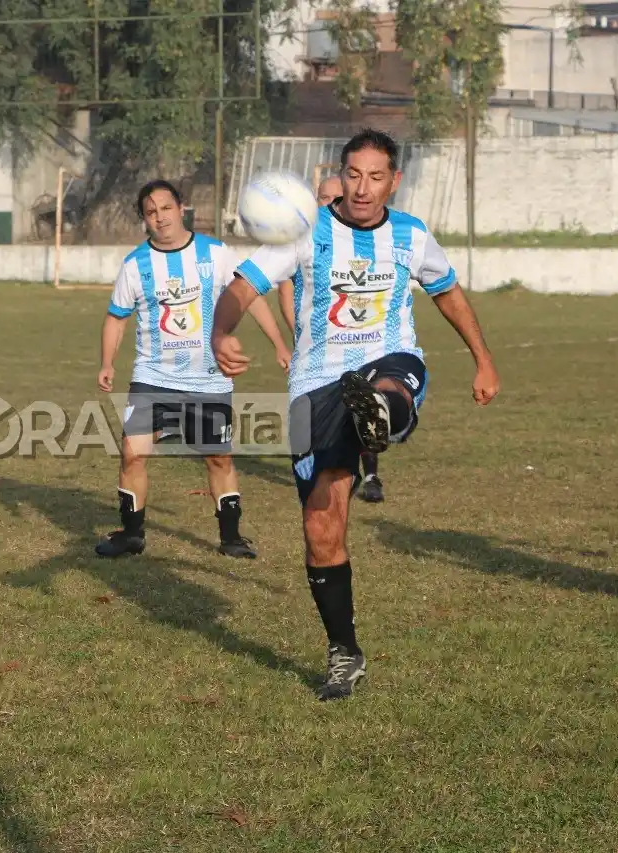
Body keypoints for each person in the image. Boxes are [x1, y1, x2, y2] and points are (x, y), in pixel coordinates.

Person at [212, 128, 500, 700]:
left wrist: (483, 359)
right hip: (314, 388)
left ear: (394, 181)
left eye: (375, 177)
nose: (363, 188)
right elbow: (243, 287)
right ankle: (344, 651)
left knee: (387, 384)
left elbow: (448, 294)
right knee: (321, 530)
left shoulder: (411, 235)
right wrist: (221, 332)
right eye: (353, 175)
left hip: (388, 359)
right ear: (339, 176)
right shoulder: (304, 232)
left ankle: (384, 416)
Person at [96, 179, 293, 559]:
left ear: (181, 207)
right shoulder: (135, 264)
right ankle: (132, 535)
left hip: (208, 378)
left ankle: (231, 538)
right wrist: (107, 363)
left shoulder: (216, 253)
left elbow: (251, 298)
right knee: (132, 454)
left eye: (165, 208)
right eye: (151, 212)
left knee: (218, 458)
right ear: (144, 219)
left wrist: (279, 344)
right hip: (153, 378)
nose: (160, 217)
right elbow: (116, 317)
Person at [284, 175, 385, 504]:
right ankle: (321, 468)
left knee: (363, 410)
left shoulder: (362, 241)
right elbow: (285, 289)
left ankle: (370, 476)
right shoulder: (303, 239)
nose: (328, 204)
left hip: (358, 344)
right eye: (322, 198)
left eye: (334, 198)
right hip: (314, 351)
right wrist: (298, 336)